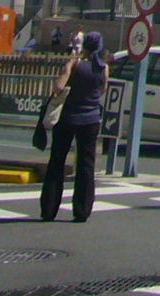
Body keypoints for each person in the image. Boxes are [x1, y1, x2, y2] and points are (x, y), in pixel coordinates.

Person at [41, 31, 107, 222]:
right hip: (91, 119)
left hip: (68, 118)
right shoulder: (103, 68)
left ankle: (49, 209)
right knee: (86, 165)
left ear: (84, 46)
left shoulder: (75, 64)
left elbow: (58, 88)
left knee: (57, 162)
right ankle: (82, 210)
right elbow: (102, 90)